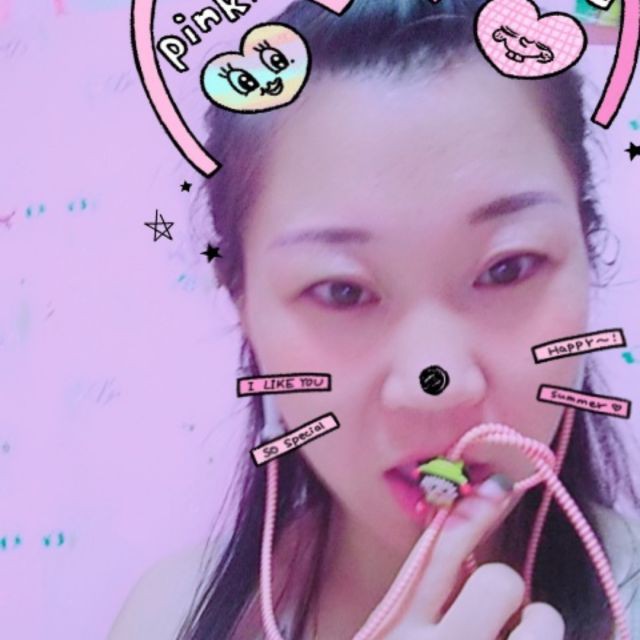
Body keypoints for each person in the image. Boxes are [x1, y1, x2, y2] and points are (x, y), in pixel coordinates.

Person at [108, 0, 640, 638]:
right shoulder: (168, 618)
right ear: (242, 303)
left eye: (508, 268)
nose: (436, 382)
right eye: (341, 292)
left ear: (587, 249)